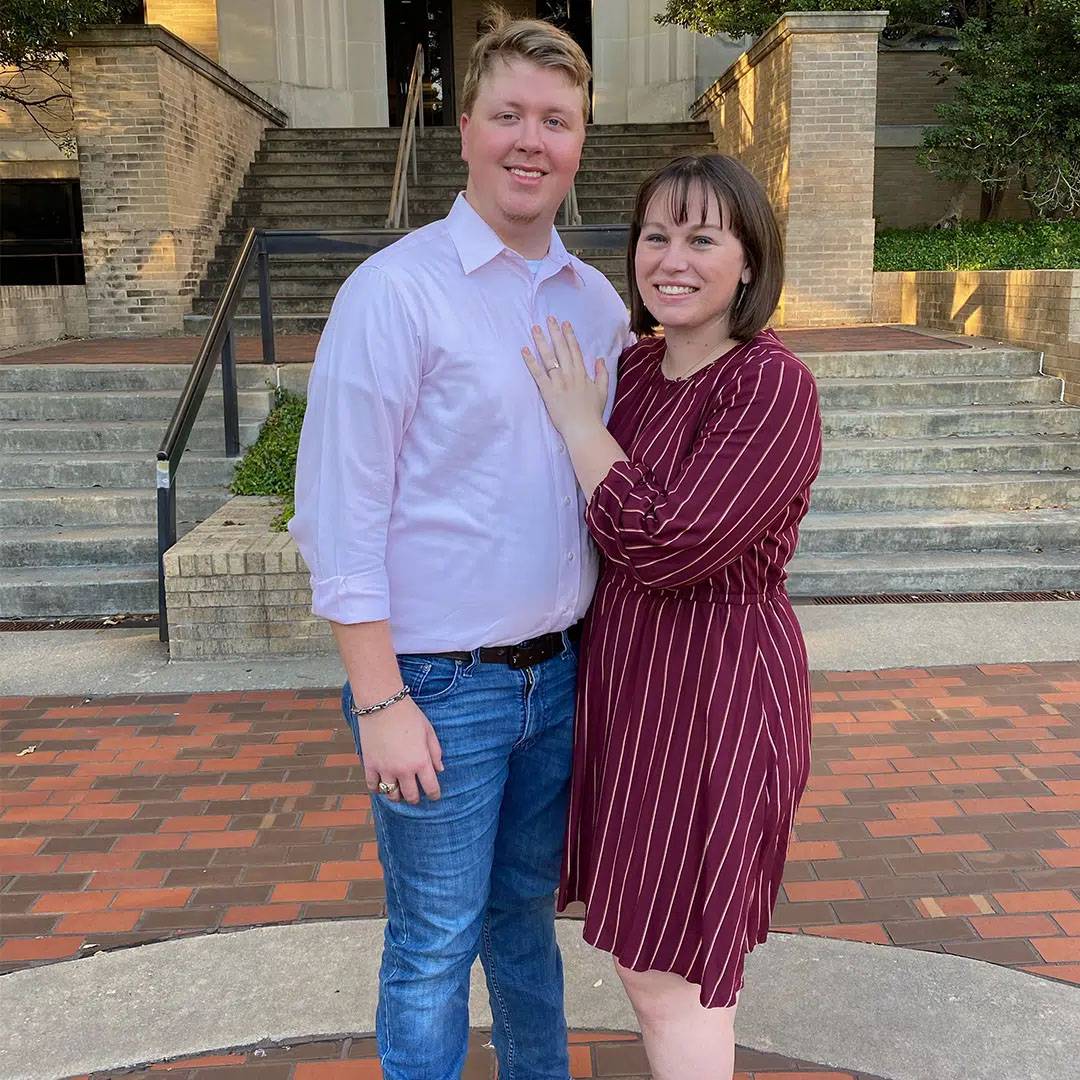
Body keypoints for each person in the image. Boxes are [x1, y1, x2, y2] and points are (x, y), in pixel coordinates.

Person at [287, 12, 630, 1080]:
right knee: (433, 944)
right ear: (466, 128)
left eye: (557, 120)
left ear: (581, 140)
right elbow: (338, 517)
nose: (533, 140)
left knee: (524, 928)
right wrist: (381, 701)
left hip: (558, 681)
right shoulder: (396, 293)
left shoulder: (600, 306)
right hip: (436, 690)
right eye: (510, 115)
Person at [522, 153, 823, 1080]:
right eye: (657, 235)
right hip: (635, 691)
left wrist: (578, 423)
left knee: (676, 968)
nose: (673, 258)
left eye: (703, 237)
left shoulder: (768, 385)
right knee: (645, 960)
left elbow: (669, 545)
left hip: (715, 695)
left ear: (749, 260)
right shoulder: (641, 369)